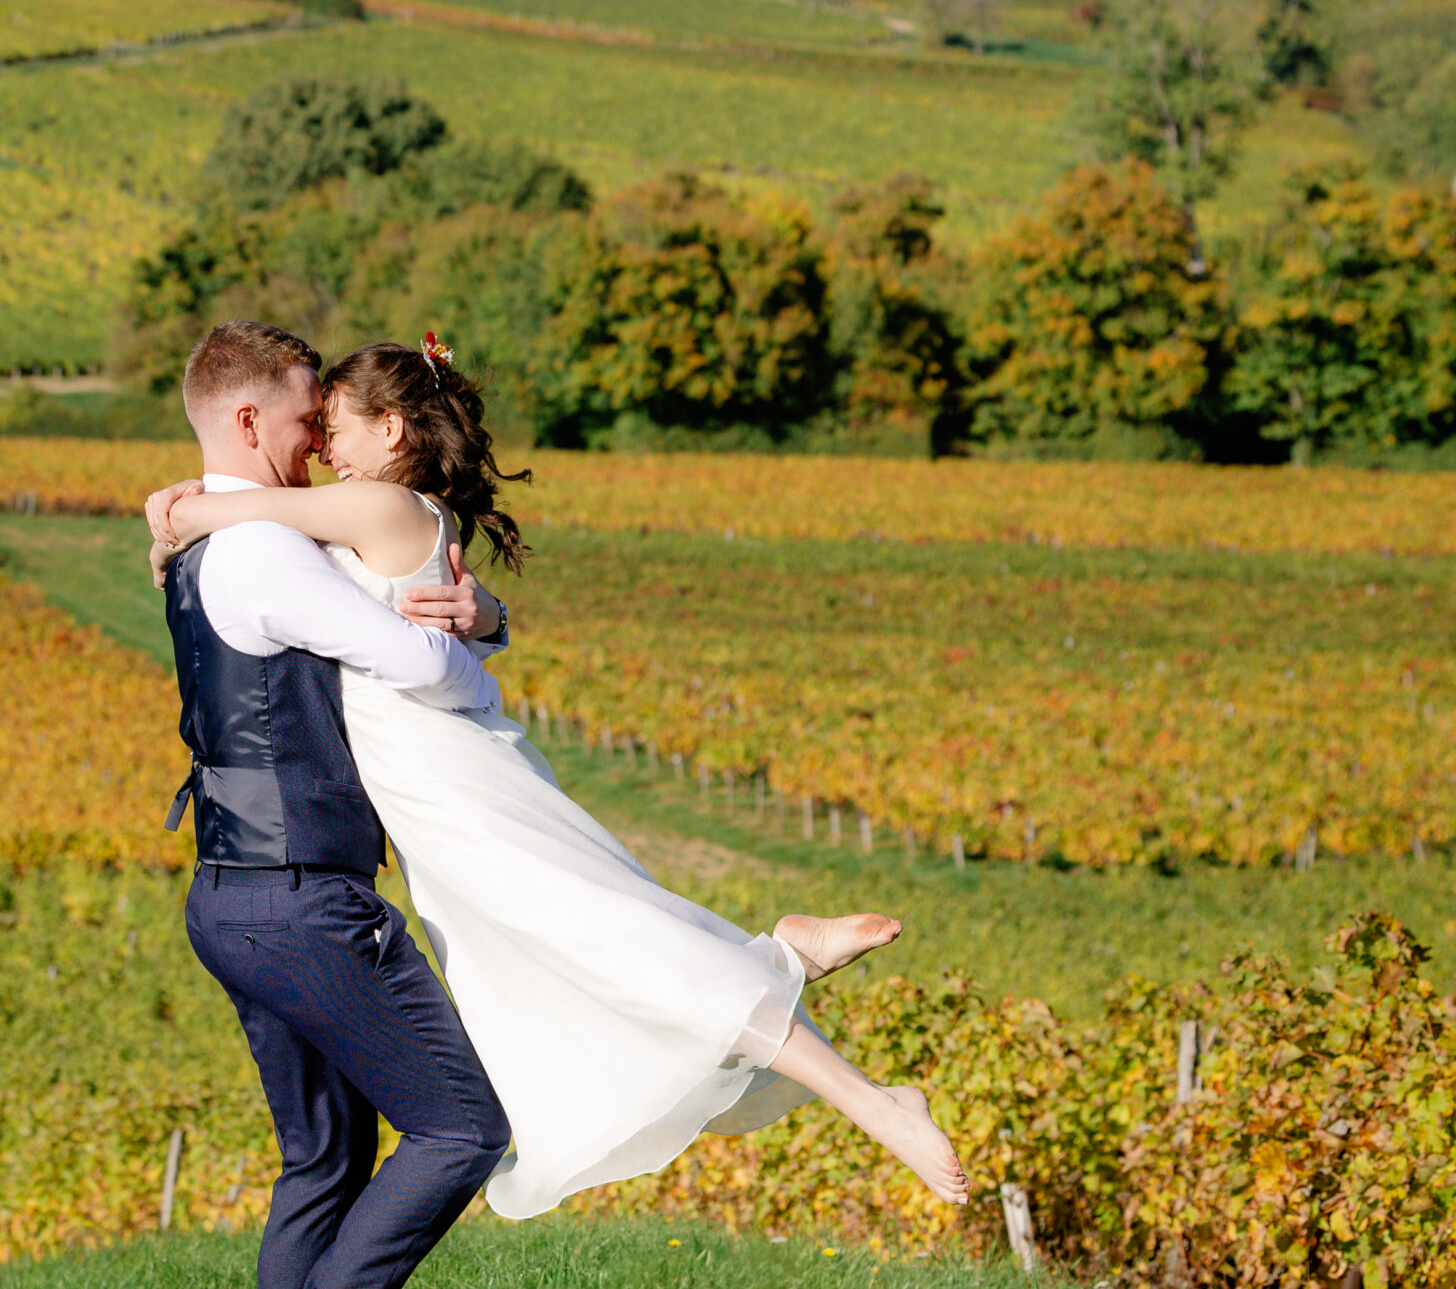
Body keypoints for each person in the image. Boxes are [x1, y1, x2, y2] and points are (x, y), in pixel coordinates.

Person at [146, 334, 968, 1242]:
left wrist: (184, 511)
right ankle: (782, 960)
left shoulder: (374, 503)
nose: (322, 450)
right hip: (431, 795)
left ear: (390, 429)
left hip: (451, 784)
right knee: (560, 962)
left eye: (336, 428)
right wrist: (487, 618)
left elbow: (257, 519)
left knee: (609, 945)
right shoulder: (384, 508)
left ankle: (875, 1101)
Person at [158, 320, 516, 1289]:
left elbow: (395, 573)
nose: (323, 439)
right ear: (250, 419)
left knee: (325, 1151)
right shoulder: (262, 549)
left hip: (230, 891)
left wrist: (485, 611)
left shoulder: (214, 540)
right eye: (311, 416)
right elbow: (417, 659)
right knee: (461, 1127)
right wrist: (475, 651)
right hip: (301, 898)